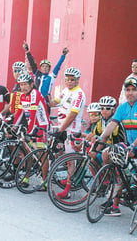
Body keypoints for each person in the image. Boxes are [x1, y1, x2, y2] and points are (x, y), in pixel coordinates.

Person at [99, 77, 137, 223]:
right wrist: (100, 142)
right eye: (127, 90)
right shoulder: (122, 107)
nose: (130, 93)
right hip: (130, 145)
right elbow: (111, 126)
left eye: (133, 90)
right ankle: (118, 186)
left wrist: (132, 146)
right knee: (106, 154)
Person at [49, 67, 86, 199]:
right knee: (62, 154)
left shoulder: (79, 94)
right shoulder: (65, 91)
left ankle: (68, 190)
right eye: (67, 80)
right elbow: (54, 103)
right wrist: (48, 97)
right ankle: (70, 177)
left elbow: (72, 115)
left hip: (71, 130)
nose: (69, 82)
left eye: (72, 80)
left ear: (77, 80)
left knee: (70, 161)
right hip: (62, 127)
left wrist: (61, 129)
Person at [14, 73, 50, 190]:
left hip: (41, 126)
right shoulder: (23, 96)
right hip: (32, 125)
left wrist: (29, 132)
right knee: (26, 151)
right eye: (21, 85)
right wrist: (14, 126)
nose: (23, 87)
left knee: (42, 154)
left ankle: (44, 182)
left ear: (31, 84)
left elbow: (33, 114)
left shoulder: (35, 93)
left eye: (25, 84)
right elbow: (20, 113)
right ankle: (26, 177)